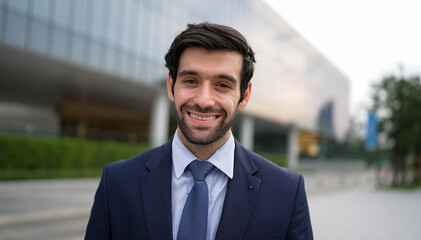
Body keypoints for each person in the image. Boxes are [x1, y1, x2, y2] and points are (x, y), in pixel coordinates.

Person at [85, 22, 313, 240]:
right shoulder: (116, 183)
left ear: (244, 96)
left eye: (222, 85)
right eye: (191, 81)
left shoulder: (286, 192)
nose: (204, 101)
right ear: (171, 86)